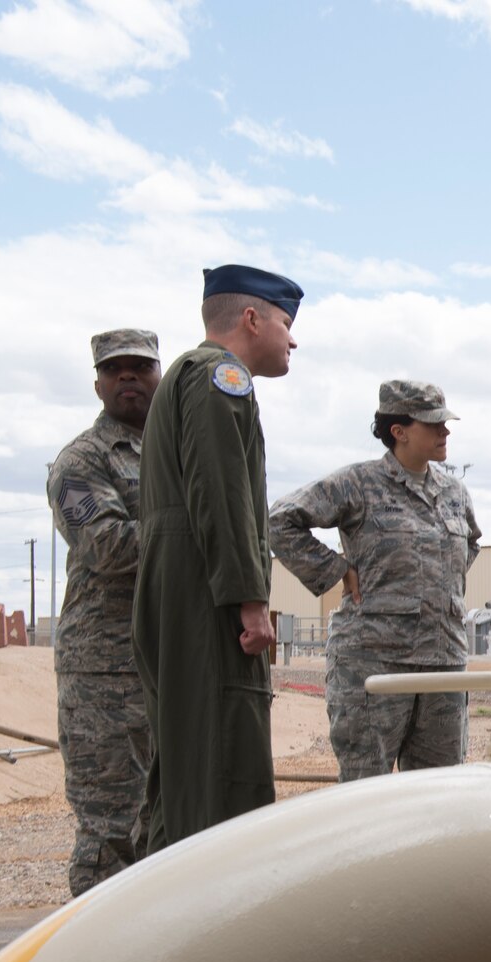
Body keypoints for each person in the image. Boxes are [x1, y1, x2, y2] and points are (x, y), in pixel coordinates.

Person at [132, 263, 303, 851]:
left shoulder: (185, 374)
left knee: (184, 763)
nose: (292, 339)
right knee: (221, 759)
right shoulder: (220, 377)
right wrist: (250, 601)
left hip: (177, 583)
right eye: (286, 322)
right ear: (251, 319)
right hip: (205, 592)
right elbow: (223, 495)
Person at [269, 381, 482, 780]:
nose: (445, 432)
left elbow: (471, 544)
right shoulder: (358, 484)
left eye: (445, 424)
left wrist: (435, 590)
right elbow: (280, 522)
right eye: (432, 424)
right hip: (373, 665)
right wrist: (334, 569)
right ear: (398, 431)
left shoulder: (455, 493)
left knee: (441, 793)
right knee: (368, 795)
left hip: (443, 666)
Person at [46, 328, 160, 894]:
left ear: (159, 377)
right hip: (105, 671)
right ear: (98, 384)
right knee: (111, 831)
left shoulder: (178, 448)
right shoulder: (81, 460)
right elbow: (109, 547)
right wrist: (193, 534)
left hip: (167, 663)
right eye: (116, 370)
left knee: (162, 826)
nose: (129, 378)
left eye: (140, 366)